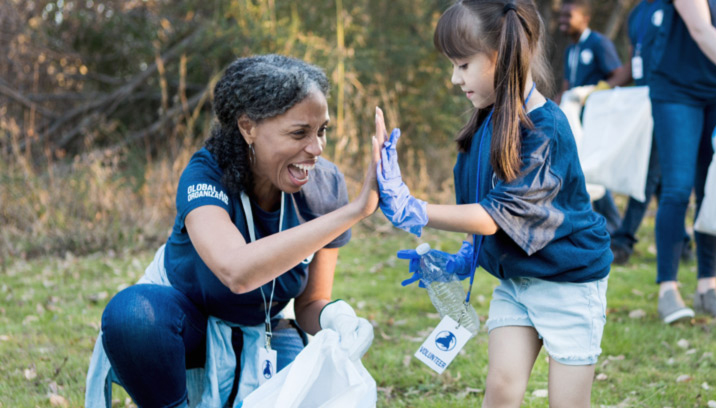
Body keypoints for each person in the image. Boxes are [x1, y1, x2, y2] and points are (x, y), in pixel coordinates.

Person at [85, 54, 386, 407]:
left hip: (265, 330)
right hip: (186, 325)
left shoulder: (326, 186)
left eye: (322, 131)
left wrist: (338, 318)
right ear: (248, 127)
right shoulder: (205, 175)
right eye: (299, 132)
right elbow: (237, 272)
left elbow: (309, 304)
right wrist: (355, 212)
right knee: (133, 313)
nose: (317, 148)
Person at [376, 1, 611, 406]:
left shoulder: (546, 128)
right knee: (500, 391)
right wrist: (466, 256)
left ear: (500, 57)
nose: (454, 78)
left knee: (567, 403)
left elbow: (495, 215)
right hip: (517, 282)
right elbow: (479, 204)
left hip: (569, 284)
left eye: (462, 65)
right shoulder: (483, 121)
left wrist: (413, 207)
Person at [647, 0, 716, 323]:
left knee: (714, 187)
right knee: (678, 188)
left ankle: (708, 286)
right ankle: (668, 288)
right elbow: (700, 28)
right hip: (677, 89)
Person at [608, 0, 694, 265]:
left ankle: (623, 242)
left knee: (647, 171)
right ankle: (681, 242)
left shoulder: (673, 7)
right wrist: (602, 88)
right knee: (657, 178)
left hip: (668, 101)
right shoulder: (636, 14)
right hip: (642, 105)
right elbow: (634, 59)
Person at [557, 0, 628, 235]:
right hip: (576, 122)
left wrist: (594, 91)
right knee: (583, 170)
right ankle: (597, 226)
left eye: (569, 16)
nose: (563, 21)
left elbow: (618, 75)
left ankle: (615, 227)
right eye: (561, 17)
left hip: (598, 120)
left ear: (585, 19)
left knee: (592, 171)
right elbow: (568, 86)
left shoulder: (598, 43)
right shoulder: (570, 50)